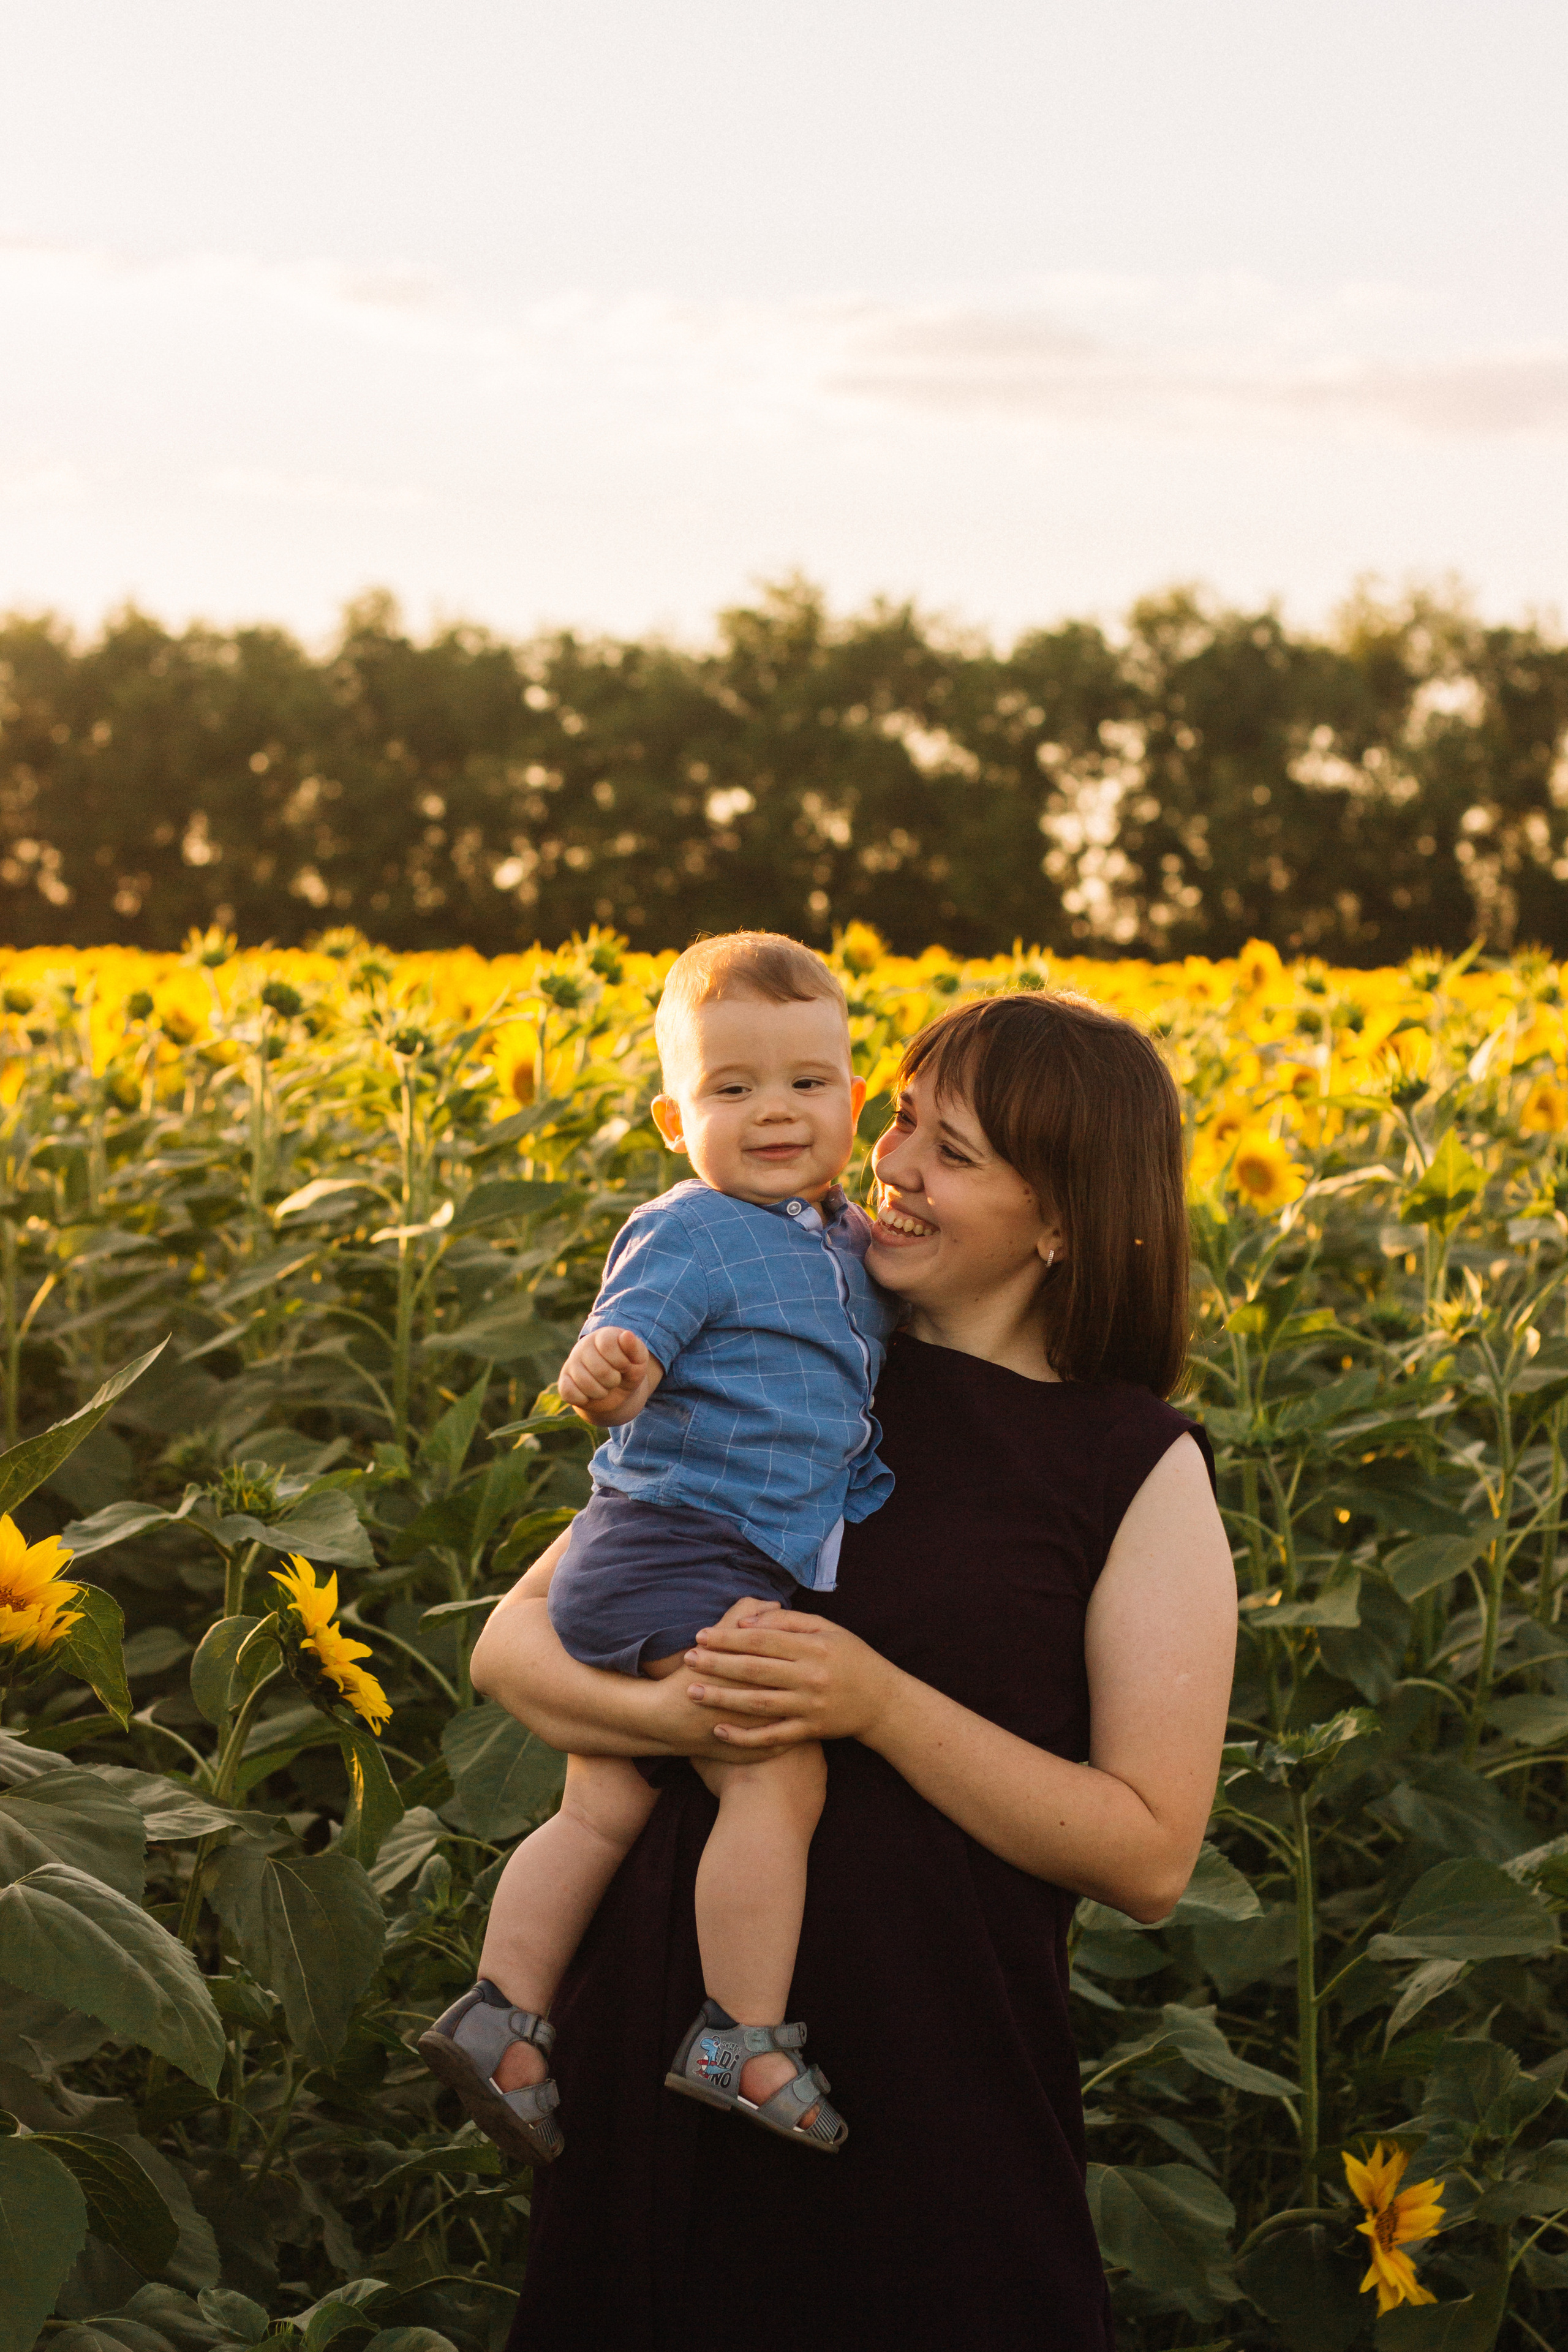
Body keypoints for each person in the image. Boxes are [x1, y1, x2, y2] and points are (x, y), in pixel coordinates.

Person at [469, 988, 1237, 2352]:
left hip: (929, 2077)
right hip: (661, 2040)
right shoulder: (791, 1360)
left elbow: (1147, 1854)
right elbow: (511, 1646)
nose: (891, 1168)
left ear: (1058, 1218)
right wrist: (669, 1712)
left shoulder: (1127, 1464)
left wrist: (873, 1703)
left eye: (954, 1152)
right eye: (897, 1120)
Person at [418, 933, 898, 2163]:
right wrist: (611, 1378)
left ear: (855, 1100)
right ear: (672, 1117)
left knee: (601, 1800)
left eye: (804, 1083)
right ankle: (741, 2035)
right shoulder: (690, 1229)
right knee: (776, 1767)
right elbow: (623, 1345)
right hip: (678, 1547)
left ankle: (502, 2013)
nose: (772, 1111)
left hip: (688, 1550)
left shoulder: (838, 1236)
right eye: (730, 1089)